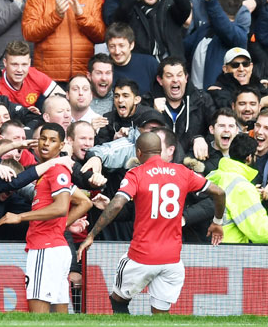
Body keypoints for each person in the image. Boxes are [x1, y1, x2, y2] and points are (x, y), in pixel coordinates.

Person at [76, 132, 227, 314]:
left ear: (138, 152)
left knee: (118, 302)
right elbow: (219, 192)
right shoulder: (182, 172)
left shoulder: (136, 174)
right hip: (172, 260)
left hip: (141, 257)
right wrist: (217, 222)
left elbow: (117, 204)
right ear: (159, 150)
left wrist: (91, 235)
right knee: (160, 316)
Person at [0, 123, 93, 313]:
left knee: (38, 318)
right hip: (56, 247)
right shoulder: (51, 171)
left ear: (62, 145)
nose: (46, 144)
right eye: (43, 138)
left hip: (45, 249)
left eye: (53, 140)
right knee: (58, 315)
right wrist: (60, 225)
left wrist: (20, 217)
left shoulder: (56, 171)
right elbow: (84, 202)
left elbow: (61, 207)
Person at [0, 41, 64, 110]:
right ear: (5, 63)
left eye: (24, 64)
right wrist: (25, 113)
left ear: (29, 63)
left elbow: (63, 99)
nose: (20, 70)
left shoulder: (35, 76)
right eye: (15, 64)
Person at [107, 22, 158, 95]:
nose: (117, 51)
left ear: (131, 45)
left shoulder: (149, 63)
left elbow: (163, 85)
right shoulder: (104, 69)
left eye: (121, 46)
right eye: (112, 46)